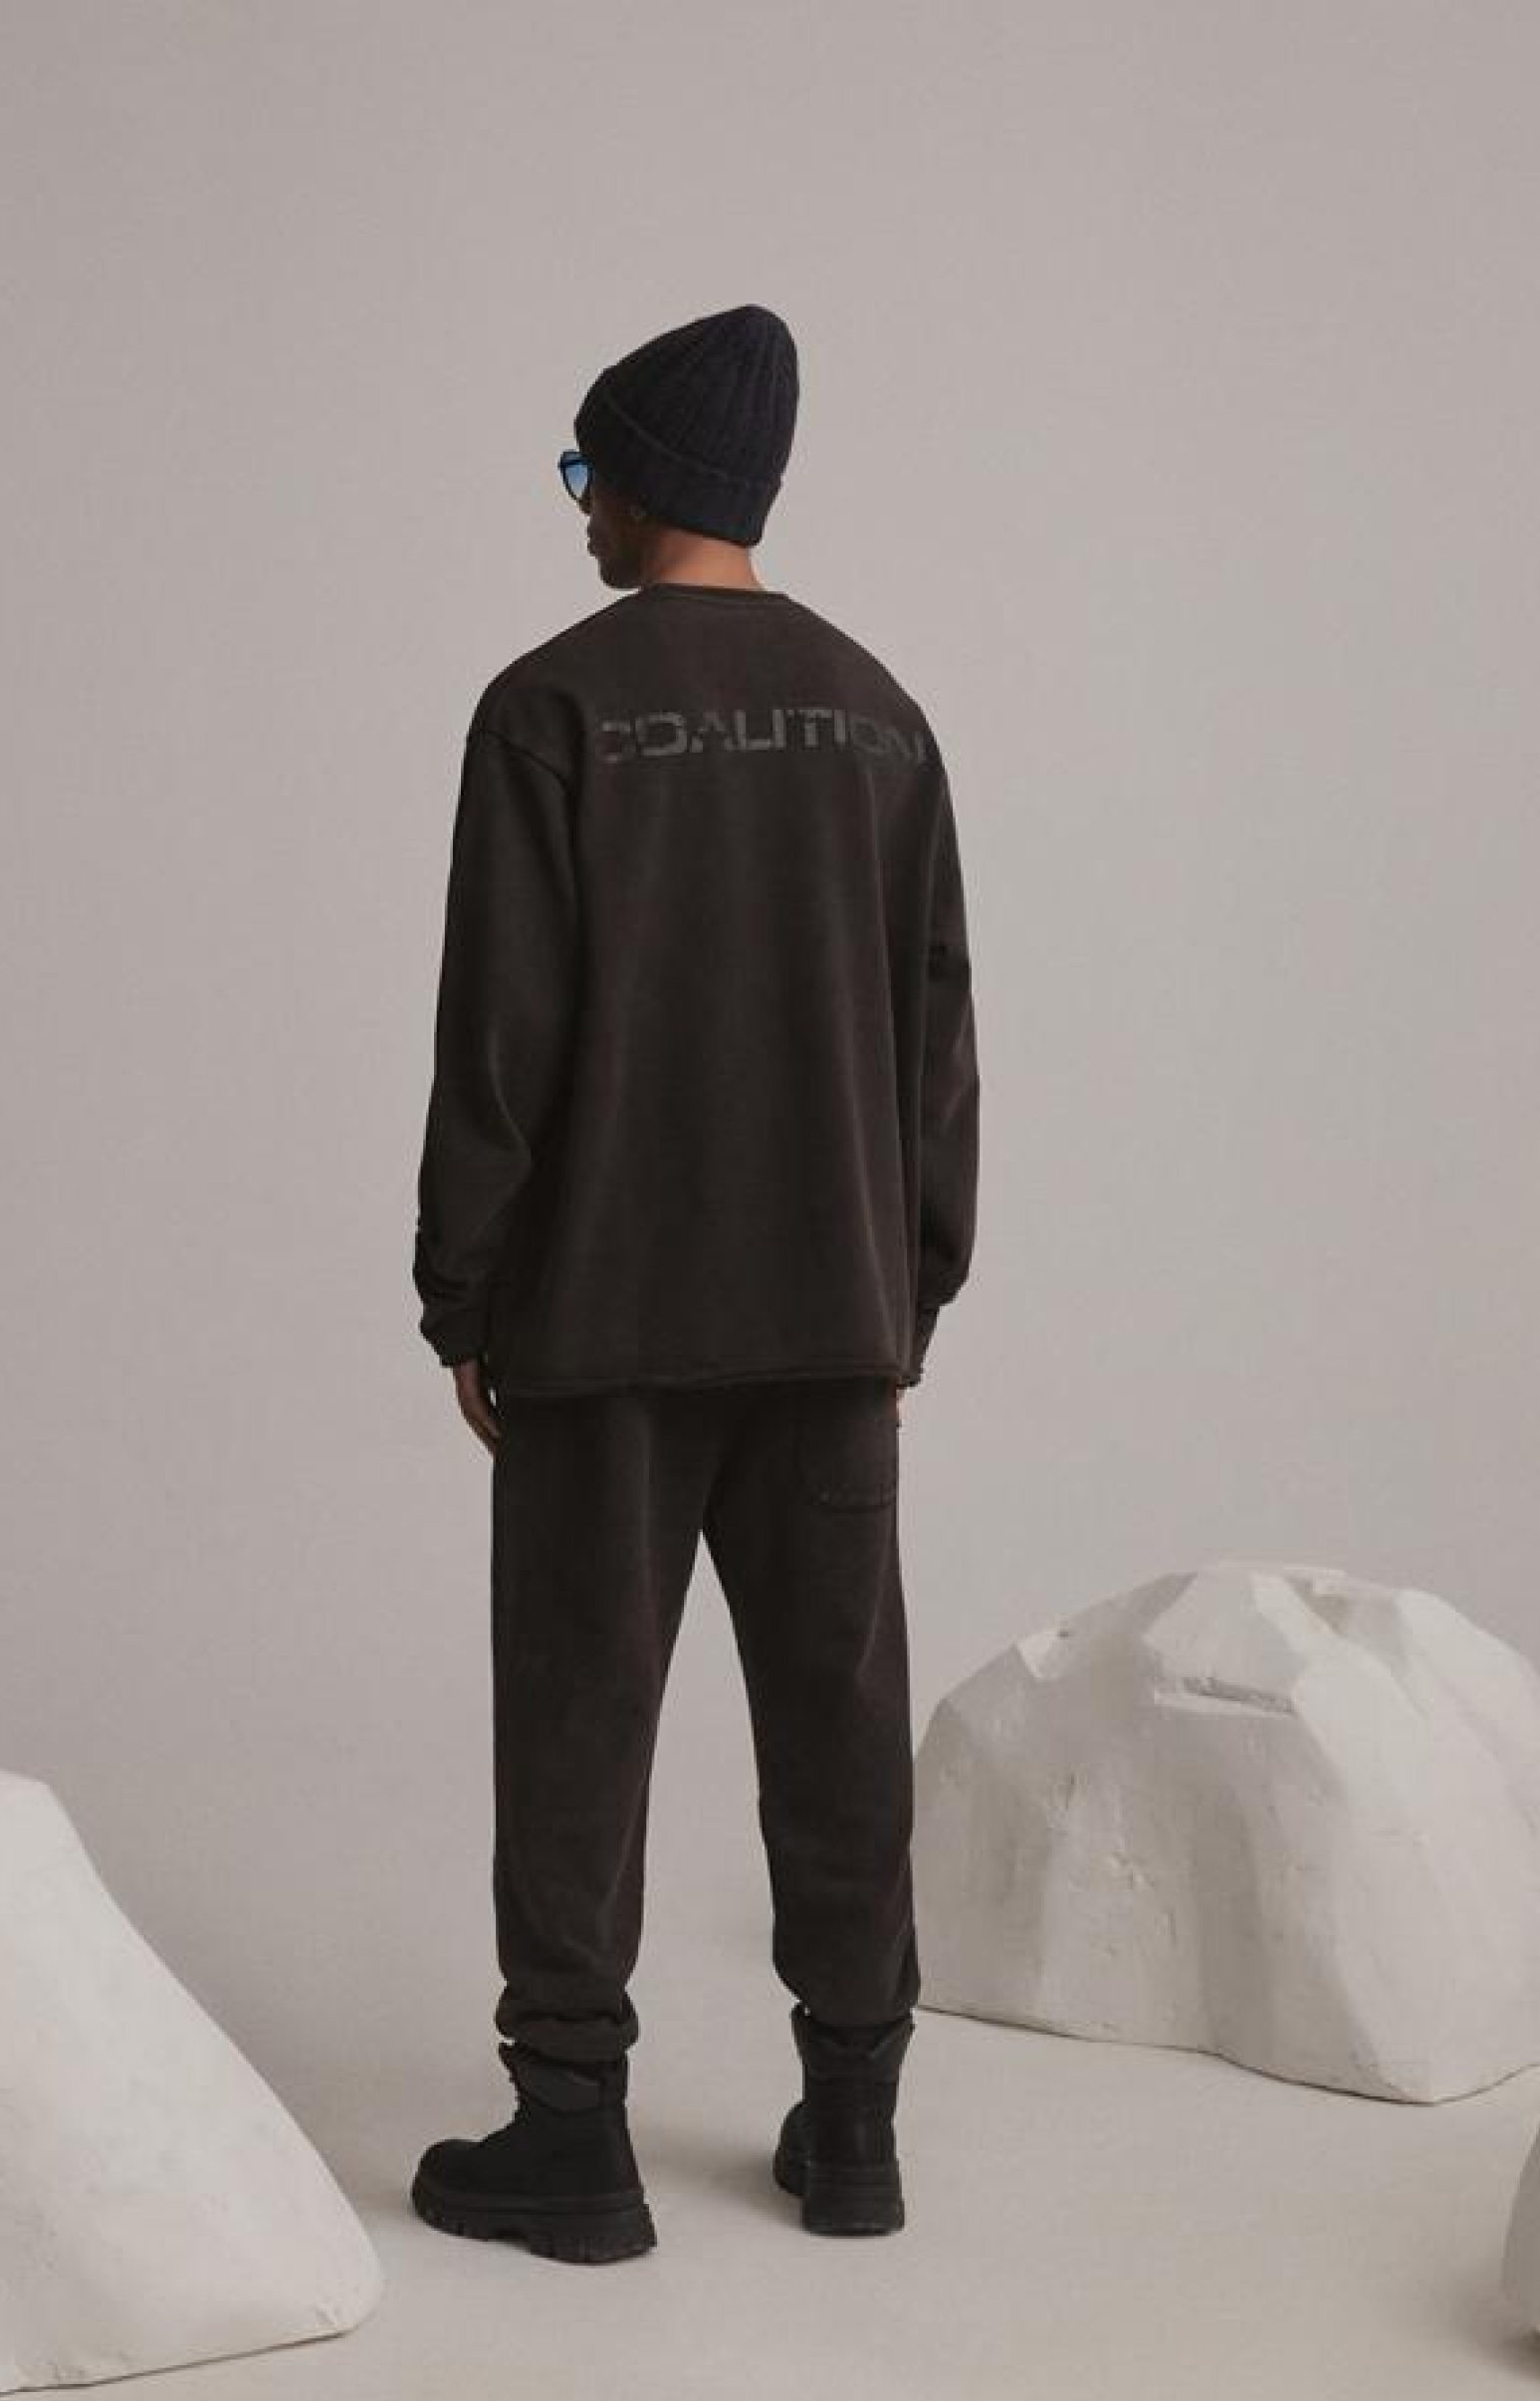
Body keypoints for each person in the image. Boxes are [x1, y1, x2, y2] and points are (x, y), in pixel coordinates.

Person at [408, 303, 981, 2260]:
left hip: (601, 1319)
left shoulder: (547, 709)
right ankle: (854, 2126)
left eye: (586, 470)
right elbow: (935, 1034)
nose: (576, 508)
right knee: (838, 1718)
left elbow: (499, 1033)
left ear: (645, 477)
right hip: (831, 1317)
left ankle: (572, 2134)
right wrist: (909, 1288)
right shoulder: (877, 714)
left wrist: (463, 1291)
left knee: (576, 1715)